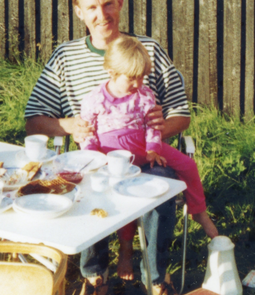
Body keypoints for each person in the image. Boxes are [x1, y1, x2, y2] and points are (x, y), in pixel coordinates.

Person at [24, 0, 190, 295]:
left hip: (146, 155)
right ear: (79, 12)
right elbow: (33, 119)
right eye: (92, 7)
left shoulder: (149, 50)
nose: (103, 14)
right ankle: (94, 278)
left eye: (109, 4)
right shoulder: (65, 57)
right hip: (96, 156)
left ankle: (156, 277)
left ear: (121, 3)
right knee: (84, 186)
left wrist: (160, 127)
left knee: (162, 186)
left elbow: (181, 112)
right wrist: (68, 126)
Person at [79, 34, 220, 271]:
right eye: (132, 78)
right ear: (111, 71)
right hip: (112, 157)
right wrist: (94, 155)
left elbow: (153, 126)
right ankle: (125, 251)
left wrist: (154, 148)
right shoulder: (94, 100)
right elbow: (87, 133)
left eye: (143, 77)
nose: (138, 83)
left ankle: (199, 211)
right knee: (123, 197)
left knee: (188, 165)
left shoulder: (144, 94)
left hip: (144, 150)